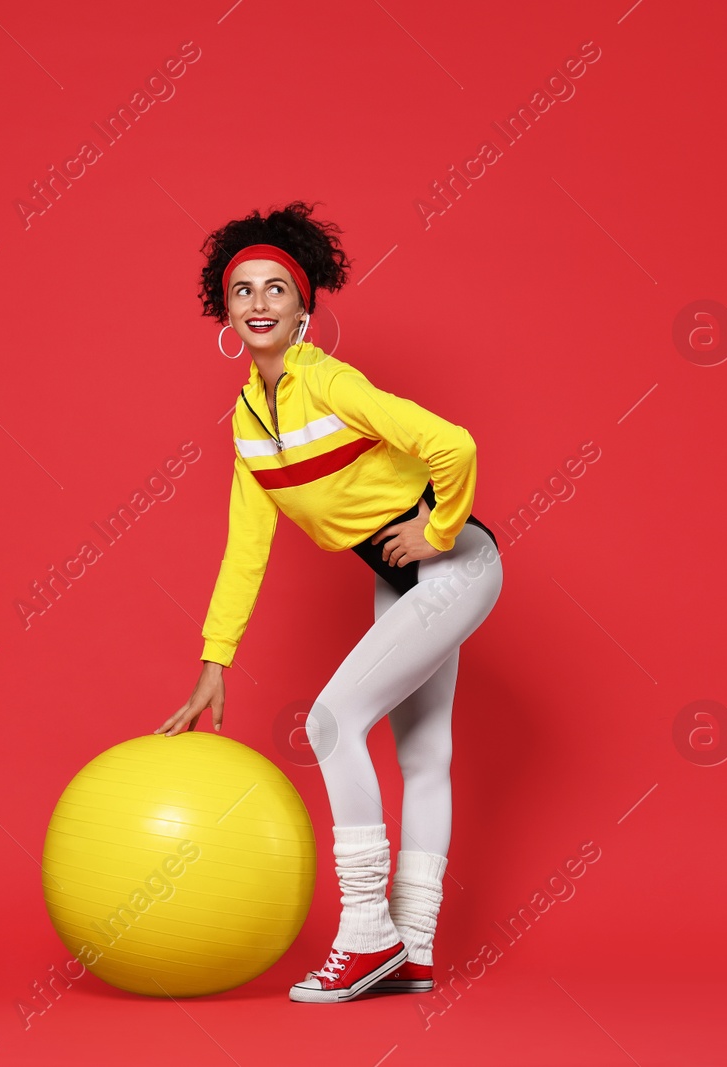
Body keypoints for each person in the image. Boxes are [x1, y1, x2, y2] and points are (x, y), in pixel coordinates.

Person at [154, 201, 505, 1004]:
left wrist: (439, 528)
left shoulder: (331, 383)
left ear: (303, 309)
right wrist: (216, 660)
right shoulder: (247, 422)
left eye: (277, 289)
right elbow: (247, 548)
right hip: (398, 576)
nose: (260, 303)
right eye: (243, 290)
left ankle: (365, 934)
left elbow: (455, 445)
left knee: (330, 721)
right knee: (423, 756)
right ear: (224, 310)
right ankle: (412, 950)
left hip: (458, 565)